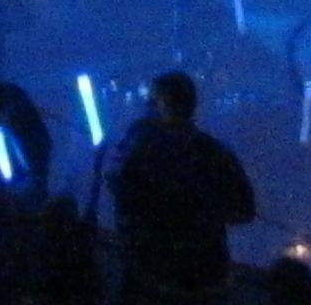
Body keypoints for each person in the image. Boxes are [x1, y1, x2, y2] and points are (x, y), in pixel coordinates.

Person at [107, 71, 256, 303]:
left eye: (152, 101)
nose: (147, 106)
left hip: (153, 281)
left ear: (164, 103)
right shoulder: (214, 152)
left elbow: (117, 186)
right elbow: (245, 209)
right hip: (206, 280)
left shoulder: (138, 150)